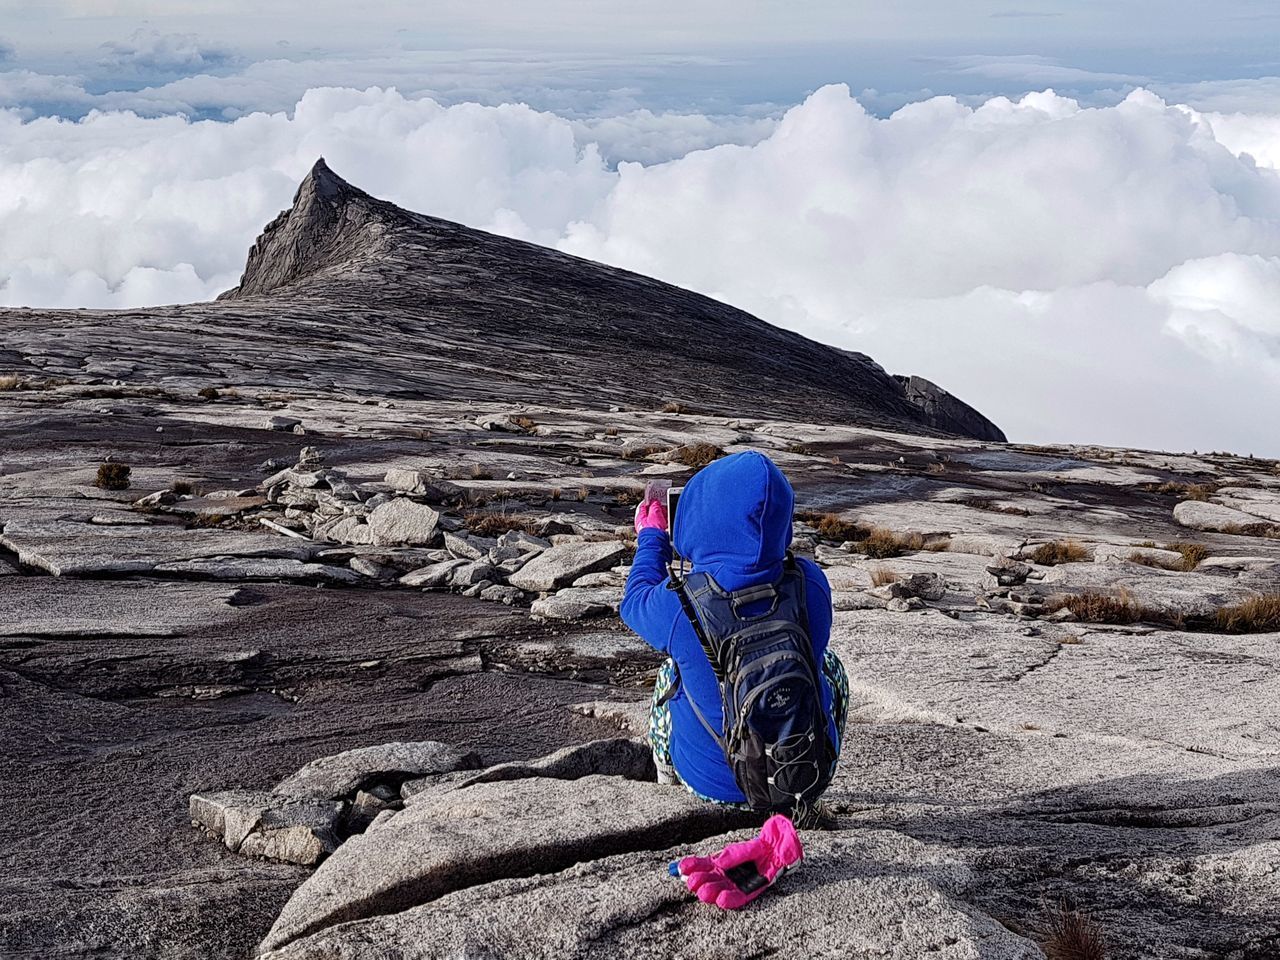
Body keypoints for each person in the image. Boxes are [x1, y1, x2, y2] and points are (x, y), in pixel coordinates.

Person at [621, 450, 848, 812]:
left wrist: (652, 537)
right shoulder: (811, 584)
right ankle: (809, 755)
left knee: (669, 673)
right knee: (830, 665)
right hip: (804, 776)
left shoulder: (680, 604)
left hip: (712, 784)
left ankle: (667, 775)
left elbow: (633, 604)